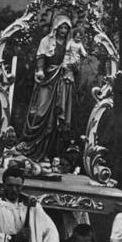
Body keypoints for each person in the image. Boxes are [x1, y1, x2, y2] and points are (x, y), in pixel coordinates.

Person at [20, 14, 73, 162]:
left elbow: (75, 61)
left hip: (61, 81)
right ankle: (29, 146)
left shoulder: (70, 44)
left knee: (54, 119)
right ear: (56, 27)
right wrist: (40, 70)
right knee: (40, 112)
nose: (63, 30)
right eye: (61, 27)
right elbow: (41, 57)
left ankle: (45, 154)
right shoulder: (46, 41)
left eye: (66, 28)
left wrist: (69, 67)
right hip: (47, 78)